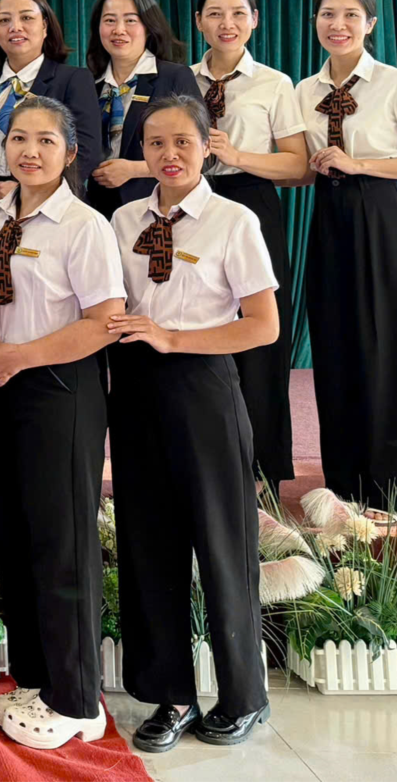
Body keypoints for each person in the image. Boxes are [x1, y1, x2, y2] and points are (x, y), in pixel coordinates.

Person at [108, 96, 278, 753]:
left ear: (208, 146)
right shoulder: (123, 219)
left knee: (222, 542)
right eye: (156, 143)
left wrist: (175, 339)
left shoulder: (232, 220)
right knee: (149, 545)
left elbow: (263, 326)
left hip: (203, 384)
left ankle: (243, 696)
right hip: (135, 389)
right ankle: (171, 696)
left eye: (183, 141)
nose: (170, 155)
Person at [0, 98, 123, 751]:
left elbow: (103, 321)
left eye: (45, 141)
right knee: (19, 535)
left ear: (70, 151)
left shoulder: (83, 226)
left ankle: (77, 699)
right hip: (3, 388)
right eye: (19, 139)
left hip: (60, 388)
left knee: (62, 542)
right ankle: (35, 678)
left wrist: (17, 356)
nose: (30, 151)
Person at [296, 0, 397, 509]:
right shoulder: (304, 91)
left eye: (351, 15)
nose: (338, 25)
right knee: (336, 346)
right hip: (328, 216)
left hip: (383, 214)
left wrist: (359, 164)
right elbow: (299, 167)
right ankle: (346, 485)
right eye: (327, 14)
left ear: (370, 24)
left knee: (390, 347)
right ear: (314, 22)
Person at [191, 0, 308, 487]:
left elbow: (298, 165)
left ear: (255, 20)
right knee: (200, 324)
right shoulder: (179, 79)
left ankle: (264, 471)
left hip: (252, 201)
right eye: (215, 13)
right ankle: (205, 463)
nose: (227, 23)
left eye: (238, 13)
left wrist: (237, 155)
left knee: (261, 338)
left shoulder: (275, 83)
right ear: (199, 21)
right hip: (192, 205)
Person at [0, 0, 102, 215]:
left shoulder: (73, 79)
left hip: (51, 200)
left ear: (45, 26)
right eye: (4, 20)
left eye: (26, 18)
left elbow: (86, 151)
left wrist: (27, 189)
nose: (15, 27)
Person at [85, 0, 200, 214]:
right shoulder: (89, 84)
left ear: (148, 26)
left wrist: (133, 170)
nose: (119, 30)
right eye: (109, 20)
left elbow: (201, 153)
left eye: (130, 20)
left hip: (159, 204)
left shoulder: (174, 76)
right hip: (97, 208)